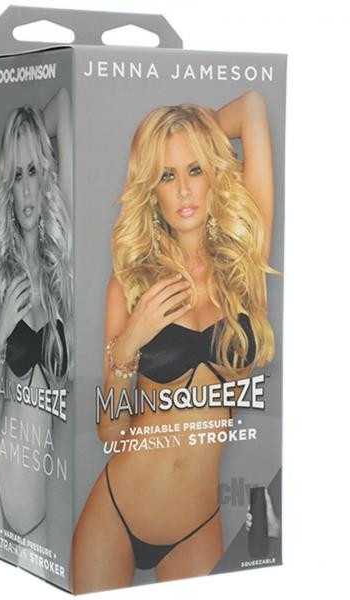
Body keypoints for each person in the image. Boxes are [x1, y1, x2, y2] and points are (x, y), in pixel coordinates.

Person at [70, 91, 276, 592]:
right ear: (152, 190)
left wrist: (196, 127)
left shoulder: (245, 264)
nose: (184, 190)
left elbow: (251, 107)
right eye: (166, 175)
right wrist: (128, 345)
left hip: (196, 524)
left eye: (195, 169)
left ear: (212, 175)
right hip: (117, 513)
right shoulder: (129, 285)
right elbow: (111, 434)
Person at [0, 88, 72, 555]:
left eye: (33, 173)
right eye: (16, 176)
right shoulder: (1, 278)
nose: (25, 190)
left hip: (36, 514)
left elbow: (64, 105)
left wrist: (25, 139)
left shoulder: (59, 276)